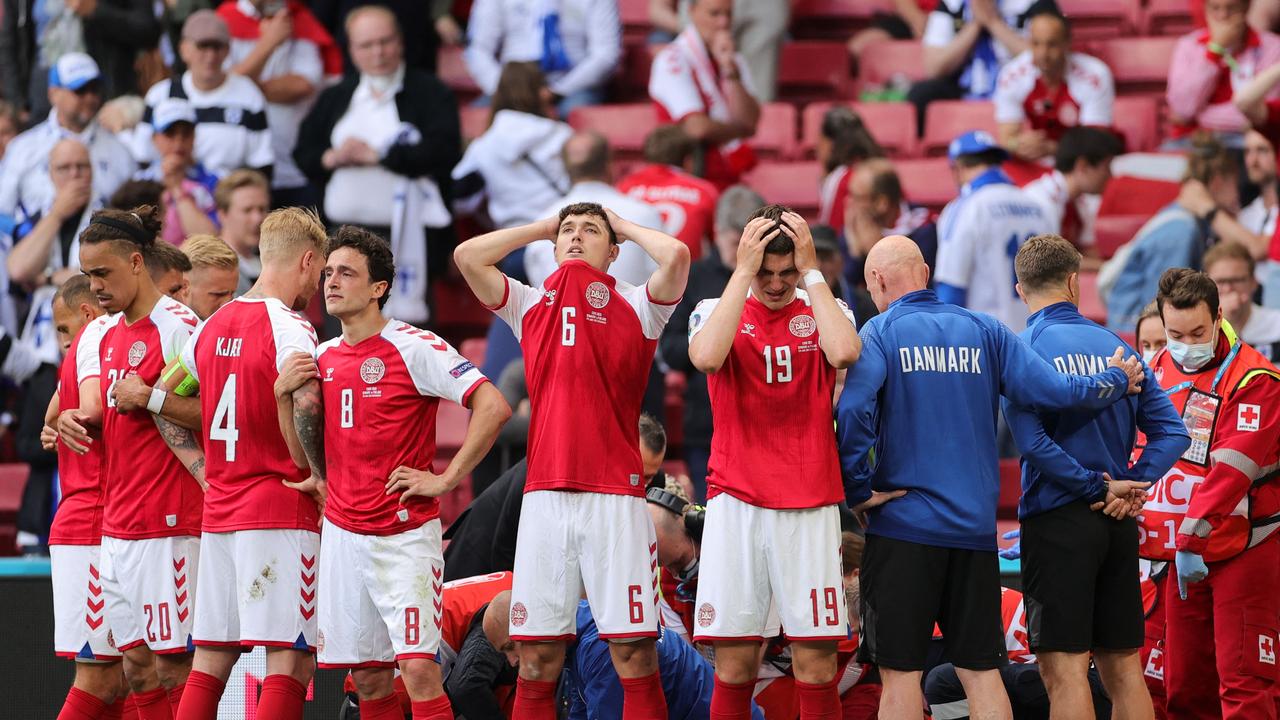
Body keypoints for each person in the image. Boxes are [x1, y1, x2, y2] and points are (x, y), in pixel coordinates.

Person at [835, 235, 1144, 720]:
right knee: (979, 673)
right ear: (926, 272)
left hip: (905, 529)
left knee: (900, 677)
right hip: (975, 535)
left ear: (876, 280)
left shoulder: (879, 332)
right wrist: (1113, 380)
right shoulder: (987, 329)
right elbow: (1057, 391)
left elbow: (852, 412)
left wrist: (857, 489)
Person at [454, 202, 691, 719]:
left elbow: (675, 255)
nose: (576, 237)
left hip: (614, 499)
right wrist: (543, 228)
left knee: (633, 651)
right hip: (545, 500)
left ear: (614, 251)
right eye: (568, 231)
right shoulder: (529, 302)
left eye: (590, 232)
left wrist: (619, 225)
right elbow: (468, 256)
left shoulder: (639, 305)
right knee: (537, 656)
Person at [273, 226, 510, 720]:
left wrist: (445, 479)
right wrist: (282, 395)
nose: (332, 282)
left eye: (347, 273)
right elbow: (299, 455)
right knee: (370, 675)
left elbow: (493, 405)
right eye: (329, 272)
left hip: (402, 537)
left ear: (379, 287)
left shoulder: (413, 345)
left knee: (420, 670)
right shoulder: (321, 357)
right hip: (342, 535)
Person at [136, 208, 326, 720]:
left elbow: (163, 399)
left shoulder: (210, 326)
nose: (319, 283)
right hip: (279, 506)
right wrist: (319, 476)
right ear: (307, 261)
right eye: (320, 269)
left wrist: (203, 472)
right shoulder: (292, 327)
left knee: (211, 660)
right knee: (289, 659)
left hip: (220, 510)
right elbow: (306, 400)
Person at [1004, 234, 1189, 720]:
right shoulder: (1116, 345)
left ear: (1020, 291)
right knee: (1123, 669)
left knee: (1064, 673)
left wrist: (1096, 487)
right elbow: (1173, 433)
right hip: (1116, 523)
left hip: (1058, 519)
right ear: (1073, 282)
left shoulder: (1023, 350)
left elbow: (1034, 445)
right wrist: (1127, 484)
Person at [687, 205, 861, 719]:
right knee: (735, 665)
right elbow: (706, 359)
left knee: (816, 664)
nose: (778, 285)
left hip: (809, 502)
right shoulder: (713, 307)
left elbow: (846, 352)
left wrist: (813, 273)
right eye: (767, 273)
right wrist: (742, 275)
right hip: (735, 501)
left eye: (787, 273)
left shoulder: (827, 307)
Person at [70, 206, 205, 720]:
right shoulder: (103, 333)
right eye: (87, 276)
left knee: (175, 667)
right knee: (136, 667)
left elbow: (210, 412)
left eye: (102, 273)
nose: (95, 286)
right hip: (117, 524)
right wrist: (67, 421)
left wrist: (149, 397)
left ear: (134, 261)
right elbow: (113, 413)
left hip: (169, 520)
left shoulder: (179, 327)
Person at [1136, 268, 1280, 719]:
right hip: (1181, 550)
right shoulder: (1157, 368)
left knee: (1244, 683)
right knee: (1185, 686)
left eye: (1197, 332)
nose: (1185, 342)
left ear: (1219, 318)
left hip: (1244, 547)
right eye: (1174, 333)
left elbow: (1230, 473)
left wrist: (1190, 540)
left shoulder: (1255, 379)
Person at [296, 5, 461, 323]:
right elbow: (305, 152)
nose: (378, 52)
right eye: (367, 45)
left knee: (409, 333)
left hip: (409, 237)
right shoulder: (337, 96)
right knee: (344, 325)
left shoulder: (430, 92)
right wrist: (332, 157)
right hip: (342, 234)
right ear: (352, 50)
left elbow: (444, 150)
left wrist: (379, 157)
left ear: (400, 42)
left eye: (385, 42)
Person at [42, 276, 120, 719]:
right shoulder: (95, 352)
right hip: (90, 524)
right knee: (100, 678)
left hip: (94, 522)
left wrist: (52, 426)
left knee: (128, 674)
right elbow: (79, 412)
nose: (62, 341)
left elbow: (52, 415)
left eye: (62, 329)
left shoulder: (79, 359)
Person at [660, 184, 764, 500]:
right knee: (712, 516)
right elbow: (672, 348)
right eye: (736, 243)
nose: (743, 255)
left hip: (761, 419)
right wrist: (715, 341)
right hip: (707, 422)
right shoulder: (694, 277)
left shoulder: (773, 278)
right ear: (717, 233)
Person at [1103, 133, 1240, 331]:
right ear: (1218, 181)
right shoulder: (1181, 230)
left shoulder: (1190, 222)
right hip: (1135, 339)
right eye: (1235, 182)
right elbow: (1163, 306)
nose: (1237, 193)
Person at [220, 0, 344, 208]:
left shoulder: (300, 19)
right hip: (240, 177)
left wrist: (244, 86)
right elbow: (221, 89)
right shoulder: (225, 18)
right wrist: (269, 42)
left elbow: (303, 85)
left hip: (295, 170)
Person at [0, 53, 135, 231]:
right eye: (80, 90)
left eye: (95, 89)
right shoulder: (23, 147)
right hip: (40, 254)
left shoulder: (120, 151)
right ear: (53, 94)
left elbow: (135, 214)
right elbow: (2, 211)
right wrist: (23, 233)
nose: (89, 98)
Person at [934, 130, 1053, 331]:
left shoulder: (965, 207)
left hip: (987, 341)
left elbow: (951, 287)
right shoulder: (1038, 207)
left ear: (958, 168)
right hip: (1034, 340)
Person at [139, 11, 274, 179]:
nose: (211, 55)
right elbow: (141, 158)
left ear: (227, 50)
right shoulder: (160, 94)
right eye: (203, 46)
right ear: (184, 49)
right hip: (167, 190)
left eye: (217, 46)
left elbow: (263, 166)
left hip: (228, 197)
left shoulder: (249, 95)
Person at [525, 131, 664, 288]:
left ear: (565, 169)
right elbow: (666, 274)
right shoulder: (645, 213)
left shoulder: (543, 221)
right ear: (609, 165)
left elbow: (540, 290)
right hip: (634, 311)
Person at [649, 0, 760, 190]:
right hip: (684, 181)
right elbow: (697, 128)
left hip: (727, 179)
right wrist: (739, 129)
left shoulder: (734, 60)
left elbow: (751, 121)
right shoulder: (672, 58)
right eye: (714, 14)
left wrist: (730, 72)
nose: (723, 23)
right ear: (691, 12)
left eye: (728, 14)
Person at [452, 61, 572, 231]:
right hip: (561, 238)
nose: (548, 93)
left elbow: (461, 203)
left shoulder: (483, 146)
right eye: (543, 86)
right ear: (535, 93)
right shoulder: (563, 135)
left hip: (513, 242)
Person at [0, 0, 159, 120]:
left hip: (103, 97)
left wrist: (97, 11)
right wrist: (17, 101)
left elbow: (148, 31)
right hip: (40, 99)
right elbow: (9, 45)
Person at [993, 9, 1114, 163]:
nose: (1043, 53)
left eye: (1052, 44)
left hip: (1081, 162)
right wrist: (1019, 144)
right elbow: (1007, 139)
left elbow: (1095, 142)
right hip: (1037, 159)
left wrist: (1052, 148)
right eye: (1036, 44)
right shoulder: (1011, 76)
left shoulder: (1095, 75)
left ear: (1067, 42)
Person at [464, 0, 621, 117]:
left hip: (572, 86)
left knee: (574, 115)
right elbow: (478, 49)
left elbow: (605, 54)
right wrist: (505, 89)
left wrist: (558, 90)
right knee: (474, 117)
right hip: (512, 83)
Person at [909, 0, 1033, 133]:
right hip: (962, 84)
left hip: (1015, 82)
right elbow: (933, 68)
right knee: (922, 93)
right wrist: (975, 24)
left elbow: (1040, 58)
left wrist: (993, 22)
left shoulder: (1030, 4)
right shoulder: (950, 5)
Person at [1167, 0, 1280, 143]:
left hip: (1245, 142)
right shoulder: (1188, 45)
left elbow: (1262, 113)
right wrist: (1215, 50)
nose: (1223, 15)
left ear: (1247, 7)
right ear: (1205, 10)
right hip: (1191, 142)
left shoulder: (1273, 47)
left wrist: (1199, 116)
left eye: (1231, 8)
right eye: (1215, 8)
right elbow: (1183, 109)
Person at [7, 138, 100, 290]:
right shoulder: (38, 217)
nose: (74, 174)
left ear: (92, 170)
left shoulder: (110, 214)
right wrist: (57, 214)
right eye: (64, 168)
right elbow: (18, 270)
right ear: (51, 174)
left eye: (81, 166)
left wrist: (49, 278)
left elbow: (103, 275)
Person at [617, 125, 721, 260]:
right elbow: (719, 244)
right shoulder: (704, 191)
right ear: (688, 161)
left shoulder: (623, 187)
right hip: (686, 276)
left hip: (631, 275)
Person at [1021, 126, 1123, 259]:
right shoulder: (1042, 200)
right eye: (1106, 167)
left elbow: (1088, 252)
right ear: (1083, 166)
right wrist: (1110, 267)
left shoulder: (1080, 203)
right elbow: (1050, 264)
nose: (1110, 175)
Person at [134, 98, 220, 246]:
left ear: (194, 137)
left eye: (185, 134)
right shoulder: (138, 182)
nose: (178, 142)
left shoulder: (213, 182)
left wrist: (176, 189)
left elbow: (210, 240)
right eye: (170, 133)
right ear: (155, 138)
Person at [844, 158, 938, 288]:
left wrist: (875, 249)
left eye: (857, 197)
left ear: (882, 203)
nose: (849, 203)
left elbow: (916, 286)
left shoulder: (924, 229)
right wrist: (856, 251)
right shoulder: (853, 230)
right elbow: (846, 290)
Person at [1204, 241, 1280, 359]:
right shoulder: (1199, 330)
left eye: (1236, 280)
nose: (1228, 288)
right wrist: (1223, 322)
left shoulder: (1277, 325)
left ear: (1254, 282)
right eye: (1220, 281)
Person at [816, 107, 886, 233]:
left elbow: (831, 232)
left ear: (829, 144)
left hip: (854, 248)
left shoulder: (840, 178)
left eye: (819, 141)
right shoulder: (882, 167)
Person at [214, 169, 270, 294]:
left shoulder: (267, 266)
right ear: (223, 214)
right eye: (247, 210)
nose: (257, 219)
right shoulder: (210, 267)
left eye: (262, 209)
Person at [181, 234, 241, 320]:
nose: (227, 305)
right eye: (218, 295)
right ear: (184, 287)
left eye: (232, 294)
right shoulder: (166, 330)